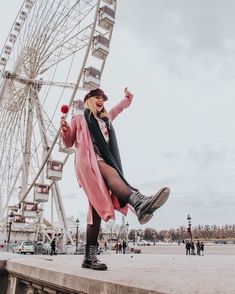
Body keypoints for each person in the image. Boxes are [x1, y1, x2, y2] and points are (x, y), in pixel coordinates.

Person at [61, 87, 170, 271]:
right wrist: (65, 130)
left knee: (94, 214)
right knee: (112, 173)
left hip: (101, 161)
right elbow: (69, 142)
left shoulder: (105, 120)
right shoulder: (79, 119)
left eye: (103, 98)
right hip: (88, 163)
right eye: (97, 97)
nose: (101, 100)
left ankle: (89, 257)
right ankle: (139, 202)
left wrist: (127, 100)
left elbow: (117, 109)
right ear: (89, 100)